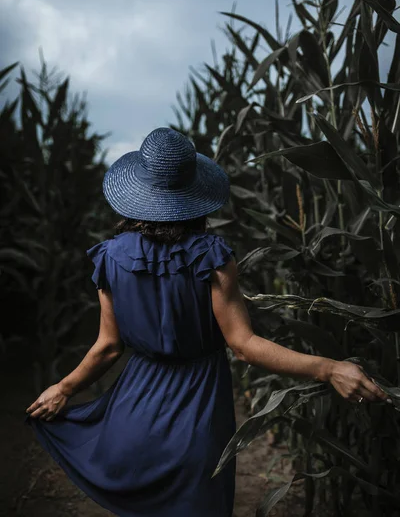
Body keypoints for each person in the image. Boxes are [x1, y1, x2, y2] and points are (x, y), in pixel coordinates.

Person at [25, 127, 389, 517]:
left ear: (138, 193)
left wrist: (62, 389)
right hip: (198, 411)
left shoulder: (110, 258)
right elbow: (244, 346)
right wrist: (329, 368)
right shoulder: (212, 258)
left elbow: (109, 346)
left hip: (133, 411)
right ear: (194, 194)